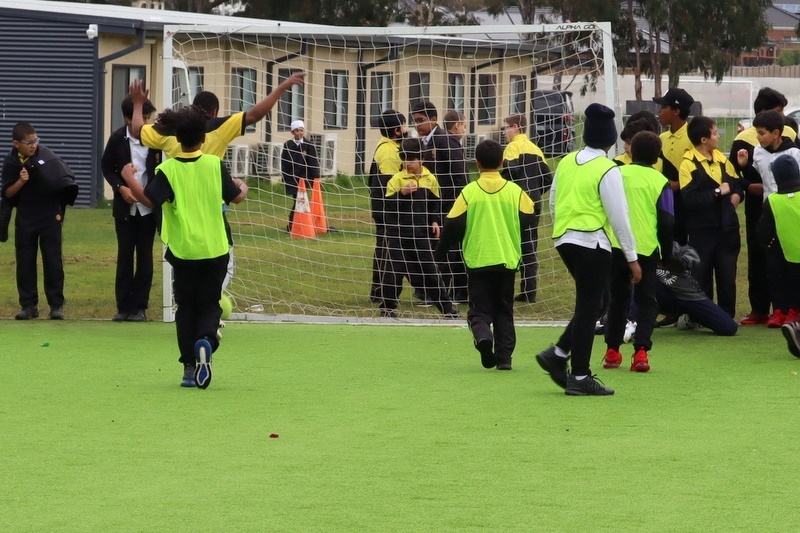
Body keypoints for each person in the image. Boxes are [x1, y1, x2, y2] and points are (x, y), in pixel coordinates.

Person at [121, 106, 248, 389]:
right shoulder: (215, 165)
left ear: (176, 139)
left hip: (182, 251)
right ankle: (207, 341)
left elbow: (149, 200)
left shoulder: (167, 170)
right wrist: (244, 187)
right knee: (210, 304)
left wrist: (130, 179)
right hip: (215, 248)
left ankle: (189, 367)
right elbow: (236, 197)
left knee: (186, 308)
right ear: (203, 139)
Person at [535, 103, 641, 396]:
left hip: (564, 239)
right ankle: (579, 376)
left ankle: (558, 353)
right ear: (611, 138)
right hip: (592, 242)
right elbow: (619, 216)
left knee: (597, 302)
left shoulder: (567, 162)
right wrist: (632, 258)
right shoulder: (608, 168)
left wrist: (563, 229)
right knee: (589, 306)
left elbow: (553, 201)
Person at [435, 139, 534, 370]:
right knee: (504, 309)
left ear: (476, 164)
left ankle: (483, 337)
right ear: (502, 162)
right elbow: (530, 215)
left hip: (478, 260)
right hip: (507, 260)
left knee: (479, 309)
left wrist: (440, 253)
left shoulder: (469, 192)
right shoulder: (514, 191)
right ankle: (504, 359)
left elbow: (452, 225)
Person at [602, 131, 674, 373]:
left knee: (617, 298)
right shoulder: (660, 181)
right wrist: (667, 253)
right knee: (647, 300)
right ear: (657, 157)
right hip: (645, 249)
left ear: (630, 151)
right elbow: (666, 222)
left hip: (615, 245)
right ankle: (641, 352)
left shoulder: (616, 174)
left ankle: (612, 351)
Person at [1, 122, 78, 320]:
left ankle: (56, 306)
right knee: (25, 261)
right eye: (29, 142)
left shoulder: (47, 157)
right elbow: (8, 194)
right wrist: (21, 181)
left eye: (36, 140)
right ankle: (28, 306)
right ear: (16, 144)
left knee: (52, 260)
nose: (34, 145)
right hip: (26, 216)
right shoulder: (11, 162)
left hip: (49, 215)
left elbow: (63, 180)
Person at [729, 88, 792, 326]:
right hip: (759, 209)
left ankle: (786, 308)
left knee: (786, 259)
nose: (783, 116)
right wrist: (744, 186)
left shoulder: (790, 138)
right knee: (758, 257)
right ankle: (759, 308)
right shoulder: (743, 142)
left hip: (786, 209)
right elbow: (739, 177)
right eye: (778, 111)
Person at [379, 138, 459, 319]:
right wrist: (402, 194)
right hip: (398, 235)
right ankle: (387, 309)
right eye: (404, 159)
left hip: (421, 235)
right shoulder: (396, 181)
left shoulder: (430, 179)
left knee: (431, 272)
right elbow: (388, 209)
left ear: (421, 159)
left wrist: (435, 220)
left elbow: (435, 204)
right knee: (393, 274)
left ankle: (447, 309)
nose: (407, 164)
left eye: (411, 160)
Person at [101, 95, 161, 322]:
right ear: (128, 118)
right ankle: (123, 307)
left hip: (148, 208)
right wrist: (119, 188)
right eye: (140, 117)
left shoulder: (156, 138)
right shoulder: (117, 138)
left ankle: (140, 307)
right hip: (125, 209)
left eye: (147, 117)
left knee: (145, 256)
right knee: (125, 255)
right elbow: (107, 167)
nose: (144, 121)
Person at [680, 116, 743, 318]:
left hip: (727, 230)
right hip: (702, 232)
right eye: (715, 133)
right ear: (703, 139)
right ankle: (703, 317)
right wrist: (717, 192)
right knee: (701, 277)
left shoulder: (722, 159)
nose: (718, 137)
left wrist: (736, 196)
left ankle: (727, 317)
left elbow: (736, 184)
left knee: (727, 277)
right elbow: (689, 199)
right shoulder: (687, 164)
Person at [411, 101, 469, 304]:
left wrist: (457, 204)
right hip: (434, 205)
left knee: (450, 249)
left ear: (433, 119)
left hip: (450, 205)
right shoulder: (425, 142)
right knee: (439, 249)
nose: (417, 125)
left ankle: (457, 292)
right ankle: (436, 292)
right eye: (415, 121)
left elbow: (460, 174)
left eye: (420, 120)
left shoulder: (444, 140)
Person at [501, 114, 553, 303]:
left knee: (510, 245)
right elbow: (548, 178)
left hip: (516, 203)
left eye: (506, 128)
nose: (504, 132)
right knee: (530, 247)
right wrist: (536, 192)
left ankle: (505, 289)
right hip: (535, 203)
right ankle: (529, 291)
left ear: (515, 127)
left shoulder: (512, 148)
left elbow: (510, 173)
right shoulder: (536, 149)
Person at [760, 155, 800, 351]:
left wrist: (770, 245)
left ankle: (781, 311)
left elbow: (763, 231)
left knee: (778, 278)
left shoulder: (772, 201)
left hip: (787, 252)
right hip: (792, 254)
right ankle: (793, 314)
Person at [656, 243, 738, 336]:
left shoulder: (661, 239)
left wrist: (677, 262)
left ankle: (690, 315)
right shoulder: (636, 248)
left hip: (687, 293)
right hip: (658, 292)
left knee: (728, 328)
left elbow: (691, 255)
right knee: (643, 285)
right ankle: (639, 321)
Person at [368, 109, 408, 303]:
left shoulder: (384, 144)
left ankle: (378, 289)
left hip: (381, 206)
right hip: (387, 208)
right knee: (387, 248)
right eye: (404, 124)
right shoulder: (391, 152)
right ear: (397, 130)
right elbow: (391, 184)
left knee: (384, 247)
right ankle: (381, 290)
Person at [654, 87, 695, 246]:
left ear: (676, 111)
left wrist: (679, 185)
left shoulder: (693, 137)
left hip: (684, 201)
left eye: (663, 107)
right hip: (663, 198)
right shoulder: (661, 138)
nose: (659, 111)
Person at [281, 120, 320, 231]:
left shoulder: (308, 145)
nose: (300, 133)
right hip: (292, 179)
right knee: (297, 200)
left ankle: (297, 224)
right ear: (292, 132)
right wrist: (285, 177)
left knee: (301, 201)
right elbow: (284, 162)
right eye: (297, 131)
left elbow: (313, 162)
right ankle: (294, 225)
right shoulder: (288, 145)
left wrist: (315, 177)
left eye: (302, 130)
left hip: (304, 179)